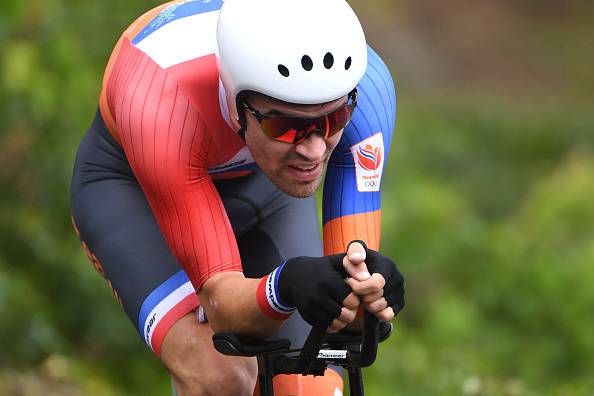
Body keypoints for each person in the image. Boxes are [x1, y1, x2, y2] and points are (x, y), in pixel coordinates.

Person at [70, 0, 404, 395]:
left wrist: (370, 295)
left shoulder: (367, 89)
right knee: (220, 376)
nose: (315, 151)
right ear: (234, 104)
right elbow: (223, 309)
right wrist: (285, 286)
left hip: (263, 181)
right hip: (135, 189)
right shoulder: (162, 98)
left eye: (332, 121)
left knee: (309, 387)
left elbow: (349, 315)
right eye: (287, 126)